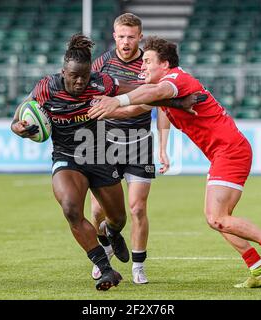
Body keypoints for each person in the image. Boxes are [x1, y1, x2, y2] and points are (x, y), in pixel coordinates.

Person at [88, 36, 261, 288]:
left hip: (230, 151)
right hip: (223, 152)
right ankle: (258, 270)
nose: (142, 66)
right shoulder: (164, 91)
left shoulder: (176, 79)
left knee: (216, 217)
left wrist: (118, 99)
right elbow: (137, 109)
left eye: (147, 61)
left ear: (165, 64)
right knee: (220, 219)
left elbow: (152, 93)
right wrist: (95, 109)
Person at [11, 34, 201, 290]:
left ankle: (111, 233)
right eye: (73, 76)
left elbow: (139, 92)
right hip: (67, 157)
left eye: (84, 76)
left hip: (101, 157)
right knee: (71, 209)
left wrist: (177, 102)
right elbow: (18, 118)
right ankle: (105, 268)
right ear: (63, 71)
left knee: (119, 219)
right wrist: (19, 128)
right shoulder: (46, 88)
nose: (79, 81)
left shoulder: (101, 83)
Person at [89, 13, 168, 284]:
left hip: (138, 143)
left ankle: (138, 266)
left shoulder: (148, 65)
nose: (126, 41)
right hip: (104, 144)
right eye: (121, 36)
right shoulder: (101, 64)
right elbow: (88, 97)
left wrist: (163, 147)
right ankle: (108, 243)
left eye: (131, 37)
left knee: (137, 208)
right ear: (114, 36)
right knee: (98, 210)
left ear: (140, 37)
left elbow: (159, 103)